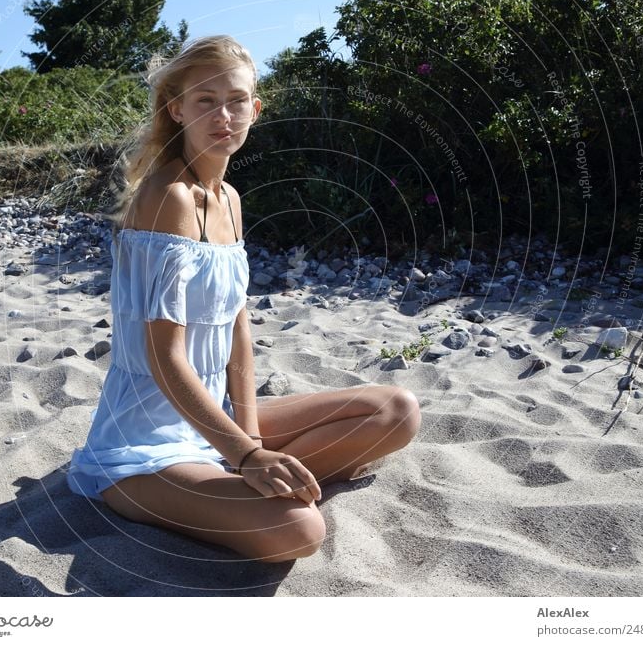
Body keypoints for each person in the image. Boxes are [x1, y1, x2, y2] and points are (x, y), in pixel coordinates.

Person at [67, 35, 422, 563]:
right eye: (205, 102)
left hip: (217, 418)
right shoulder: (169, 197)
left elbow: (237, 329)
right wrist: (249, 454)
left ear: (255, 110)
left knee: (397, 411)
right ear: (177, 109)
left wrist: (248, 441)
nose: (223, 116)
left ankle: (235, 480)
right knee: (299, 531)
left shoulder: (229, 198)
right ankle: (213, 485)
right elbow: (164, 360)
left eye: (236, 101)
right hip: (145, 443)